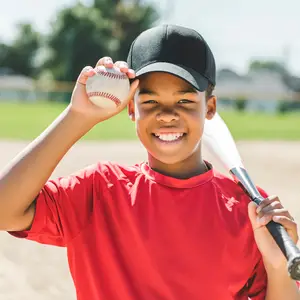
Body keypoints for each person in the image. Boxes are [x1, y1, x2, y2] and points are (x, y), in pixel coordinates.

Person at [0, 24, 299, 300]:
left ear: (209, 107)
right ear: (131, 108)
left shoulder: (249, 210)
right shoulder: (99, 190)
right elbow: (5, 211)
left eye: (184, 101)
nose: (167, 114)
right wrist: (77, 117)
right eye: (151, 101)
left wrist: (276, 266)